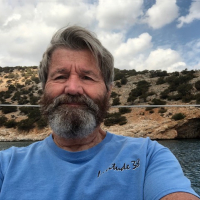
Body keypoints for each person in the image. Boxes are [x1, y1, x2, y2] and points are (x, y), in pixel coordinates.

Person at [0, 26, 199, 200]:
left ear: (108, 91)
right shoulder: (6, 166)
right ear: (44, 88)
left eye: (87, 77)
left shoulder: (149, 157)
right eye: (60, 76)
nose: (73, 88)